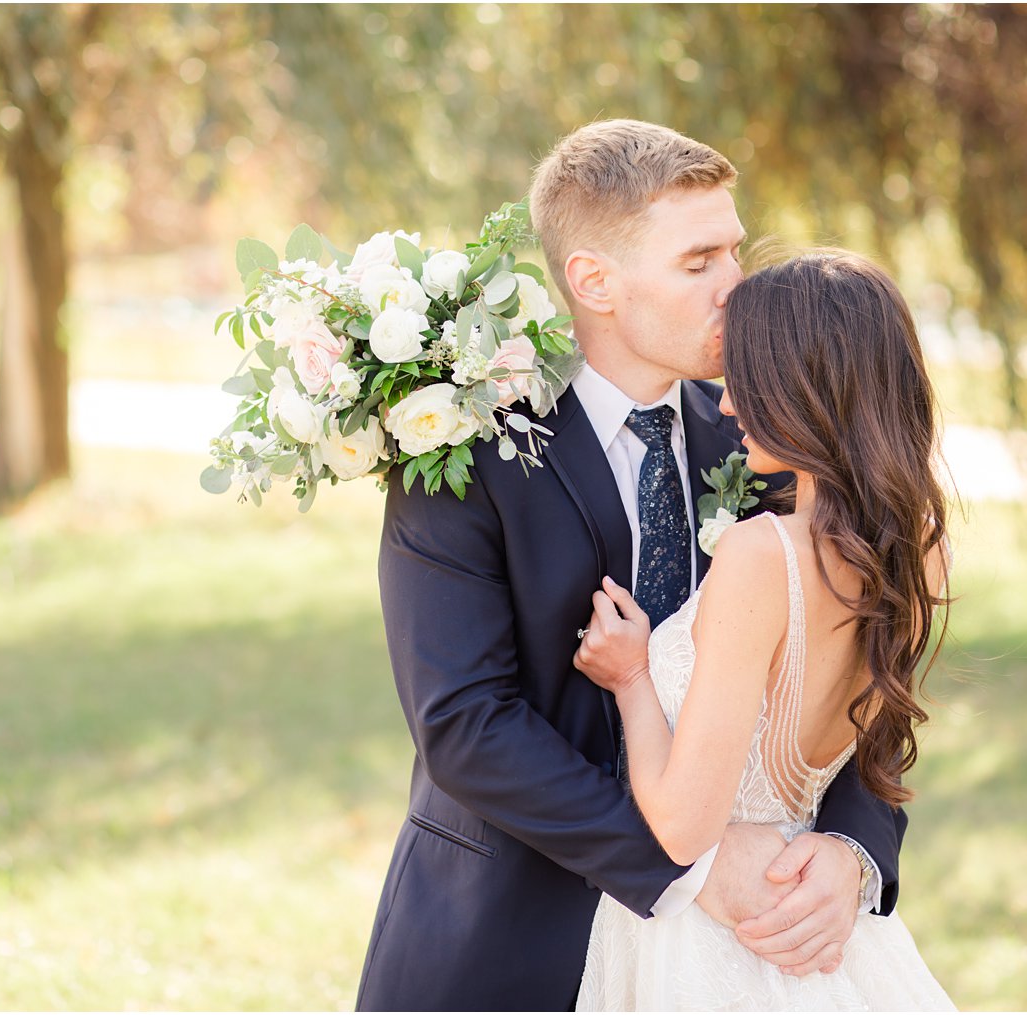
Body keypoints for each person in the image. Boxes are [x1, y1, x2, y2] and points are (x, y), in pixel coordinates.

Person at [354, 122, 909, 1011]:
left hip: (748, 954)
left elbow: (854, 652)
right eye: (699, 262)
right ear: (594, 282)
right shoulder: (465, 447)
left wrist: (852, 849)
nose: (737, 285)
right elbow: (464, 722)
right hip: (508, 942)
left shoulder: (765, 437)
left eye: (734, 248)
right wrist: (691, 863)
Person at [573, 251, 956, 1010]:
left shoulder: (762, 554)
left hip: (711, 942)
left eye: (747, 378)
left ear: (804, 387)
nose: (725, 405)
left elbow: (682, 828)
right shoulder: (922, 549)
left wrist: (631, 679)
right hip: (814, 931)